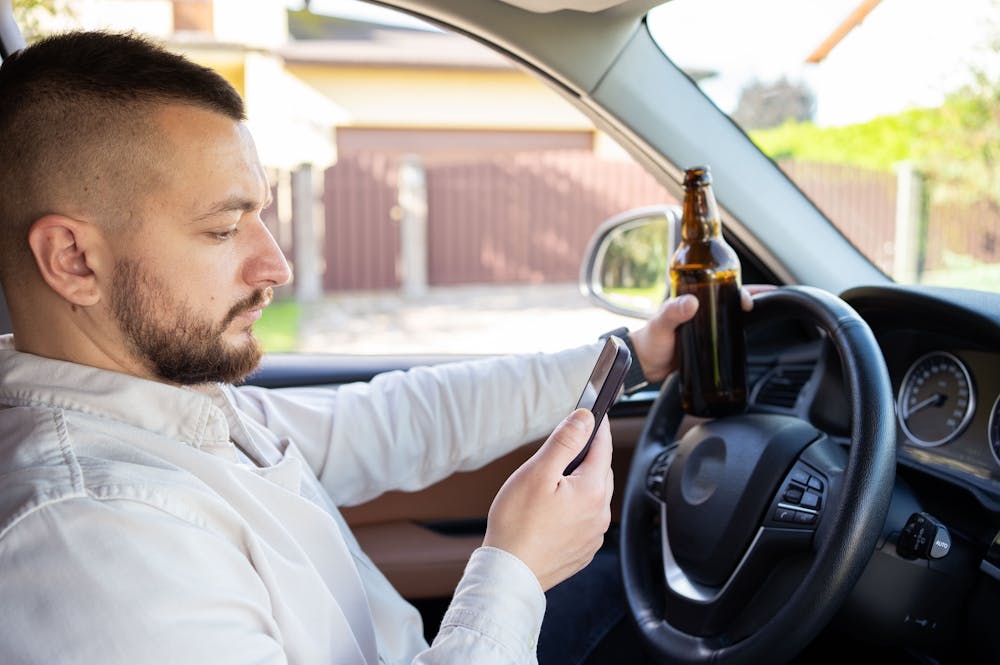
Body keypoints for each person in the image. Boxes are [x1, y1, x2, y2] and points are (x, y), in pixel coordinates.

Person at [0, 30, 755, 664]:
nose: (277, 267)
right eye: (223, 228)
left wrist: (639, 350)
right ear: (73, 259)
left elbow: (400, 418)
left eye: (259, 215)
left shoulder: (173, 400)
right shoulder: (95, 541)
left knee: (644, 578)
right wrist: (513, 571)